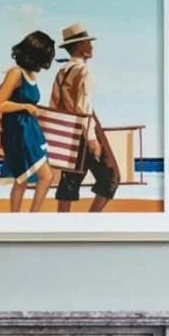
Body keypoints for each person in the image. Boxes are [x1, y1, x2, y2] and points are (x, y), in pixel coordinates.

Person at [49, 22, 120, 212]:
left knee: (71, 179)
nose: (91, 46)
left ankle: (63, 223)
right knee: (112, 176)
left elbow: (53, 105)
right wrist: (91, 138)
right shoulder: (84, 71)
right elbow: (84, 106)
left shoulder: (61, 72)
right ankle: (91, 220)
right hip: (85, 126)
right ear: (81, 46)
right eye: (88, 42)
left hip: (68, 128)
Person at [0, 31, 56, 213]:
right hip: (19, 133)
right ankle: (32, 216)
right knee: (45, 176)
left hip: (29, 131)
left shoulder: (28, 75)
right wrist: (25, 107)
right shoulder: (15, 73)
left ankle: (17, 217)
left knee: (23, 178)